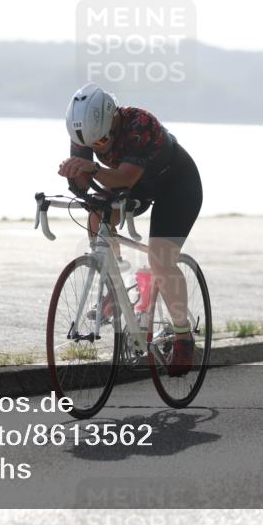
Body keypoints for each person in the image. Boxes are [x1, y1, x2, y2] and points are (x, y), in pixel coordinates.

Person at [57, 83, 203, 376]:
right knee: (98, 213)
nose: (96, 147)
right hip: (137, 185)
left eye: (102, 141)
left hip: (176, 186)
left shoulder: (139, 124)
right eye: (91, 144)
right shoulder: (85, 130)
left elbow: (123, 177)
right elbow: (86, 183)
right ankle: (116, 283)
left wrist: (93, 170)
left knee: (161, 260)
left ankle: (183, 338)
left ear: (112, 119)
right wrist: (75, 174)